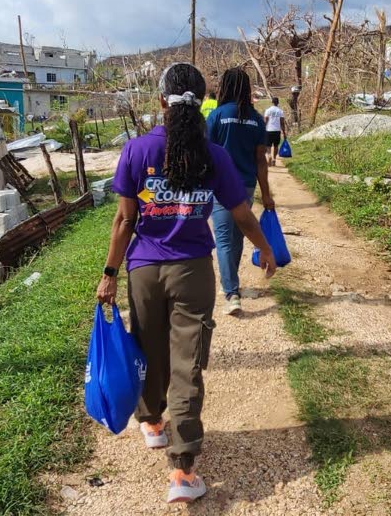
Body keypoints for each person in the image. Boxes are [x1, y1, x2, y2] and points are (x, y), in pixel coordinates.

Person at [97, 63, 277, 504]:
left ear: (161, 101)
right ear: (203, 102)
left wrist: (109, 274)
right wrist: (266, 247)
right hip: (193, 271)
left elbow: (125, 219)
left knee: (148, 347)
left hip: (142, 270)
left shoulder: (137, 151)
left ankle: (153, 423)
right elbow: (239, 213)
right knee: (187, 364)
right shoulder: (212, 155)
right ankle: (181, 470)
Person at [206, 67, 274, 316]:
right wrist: (266, 194)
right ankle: (232, 286)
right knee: (236, 237)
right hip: (245, 185)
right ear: (246, 89)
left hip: (221, 186)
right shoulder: (256, 120)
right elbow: (260, 160)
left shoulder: (216, 116)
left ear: (224, 87)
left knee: (224, 240)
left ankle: (231, 291)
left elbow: (206, 153)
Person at [263, 96, 287, 166]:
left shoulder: (268, 110)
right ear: (278, 103)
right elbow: (282, 123)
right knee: (276, 146)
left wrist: (263, 129)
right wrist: (284, 132)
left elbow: (265, 121)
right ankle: (274, 159)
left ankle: (269, 155)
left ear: (272, 102)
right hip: (277, 130)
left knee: (268, 145)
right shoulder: (280, 111)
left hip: (268, 130)